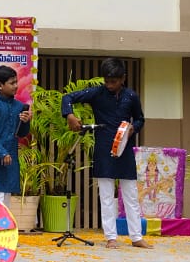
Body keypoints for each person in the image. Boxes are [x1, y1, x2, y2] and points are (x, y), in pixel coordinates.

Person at [62, 57, 152, 249]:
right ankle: (111, 237)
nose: (110, 85)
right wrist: (69, 115)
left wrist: (133, 128)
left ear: (123, 78)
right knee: (106, 195)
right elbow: (67, 97)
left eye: (114, 81)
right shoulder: (96, 93)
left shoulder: (131, 96)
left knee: (131, 194)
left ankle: (136, 237)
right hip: (103, 148)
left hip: (125, 148)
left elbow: (140, 119)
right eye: (107, 81)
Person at [0, 65, 32, 209]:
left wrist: (26, 122)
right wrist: (1, 152)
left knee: (7, 202)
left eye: (16, 82)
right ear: (0, 85)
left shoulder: (19, 106)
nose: (16, 86)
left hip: (11, 160)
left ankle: (4, 224)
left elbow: (21, 133)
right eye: (12, 83)